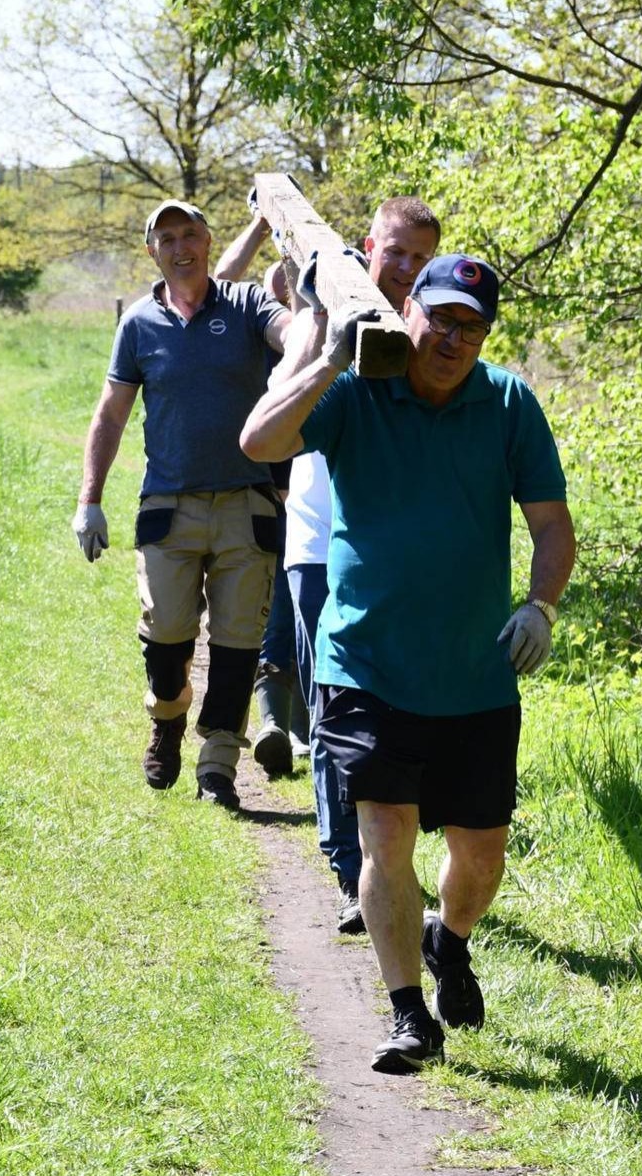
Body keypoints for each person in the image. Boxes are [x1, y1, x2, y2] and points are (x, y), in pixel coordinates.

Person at [240, 253, 576, 1073]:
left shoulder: (506, 403)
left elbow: (552, 526)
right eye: (442, 317)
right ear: (409, 310)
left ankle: (448, 938)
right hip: (366, 665)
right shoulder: (357, 390)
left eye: (473, 326)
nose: (454, 338)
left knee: (482, 854)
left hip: (473, 675)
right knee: (385, 838)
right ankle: (406, 1013)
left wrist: (541, 605)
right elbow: (258, 440)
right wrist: (327, 355)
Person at [221, 196, 444, 934]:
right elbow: (266, 428)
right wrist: (325, 348)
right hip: (318, 547)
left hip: (397, 553)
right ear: (363, 247)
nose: (406, 268)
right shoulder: (320, 323)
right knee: (331, 709)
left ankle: (390, 859)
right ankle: (351, 869)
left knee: (402, 708)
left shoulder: (427, 333)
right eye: (395, 251)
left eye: (420, 255)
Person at [72, 199, 293, 809]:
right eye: (166, 238)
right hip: (168, 506)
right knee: (166, 635)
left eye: (190, 234)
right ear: (153, 252)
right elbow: (112, 412)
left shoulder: (246, 306)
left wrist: (313, 322)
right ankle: (167, 719)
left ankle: (218, 764)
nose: (180, 246)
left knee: (237, 640)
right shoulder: (138, 324)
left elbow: (287, 332)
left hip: (247, 504)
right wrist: (89, 499)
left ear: (207, 240)